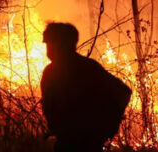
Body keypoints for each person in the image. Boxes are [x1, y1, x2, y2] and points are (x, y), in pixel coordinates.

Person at [41, 22, 132, 152]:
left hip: (86, 143)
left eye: (51, 43)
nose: (48, 48)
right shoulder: (50, 72)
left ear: (63, 45)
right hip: (65, 141)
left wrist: (107, 128)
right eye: (47, 44)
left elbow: (123, 92)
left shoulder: (88, 69)